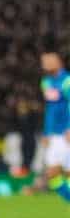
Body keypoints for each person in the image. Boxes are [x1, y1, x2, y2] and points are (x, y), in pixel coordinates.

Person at [39, 51, 70, 203]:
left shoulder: (67, 81)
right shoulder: (46, 82)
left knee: (58, 173)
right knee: (58, 175)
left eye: (47, 61)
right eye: (43, 62)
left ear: (58, 62)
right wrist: (46, 132)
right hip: (55, 135)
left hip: (66, 134)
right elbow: (50, 109)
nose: (44, 64)